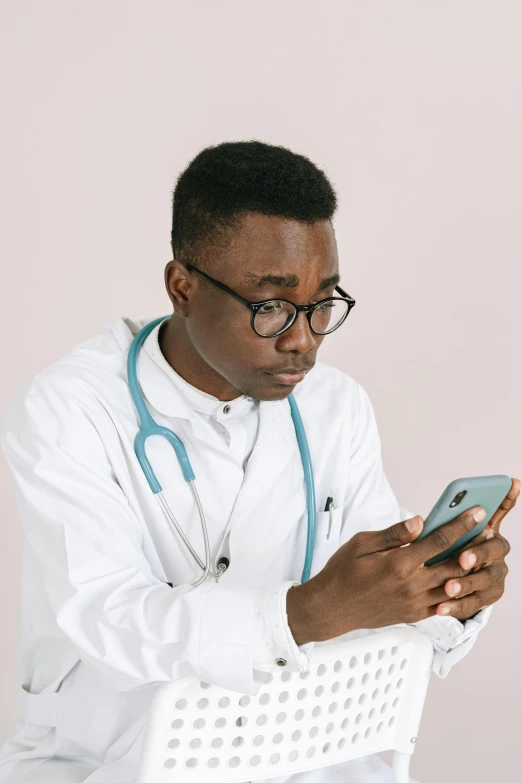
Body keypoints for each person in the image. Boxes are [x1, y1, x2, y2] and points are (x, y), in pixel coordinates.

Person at [0, 140, 517, 783]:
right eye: (270, 306)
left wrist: (446, 592)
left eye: (322, 304)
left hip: (298, 754)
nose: (302, 340)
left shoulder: (334, 406)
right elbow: (107, 617)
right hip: (113, 760)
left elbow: (379, 596)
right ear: (182, 287)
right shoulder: (67, 409)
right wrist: (303, 614)